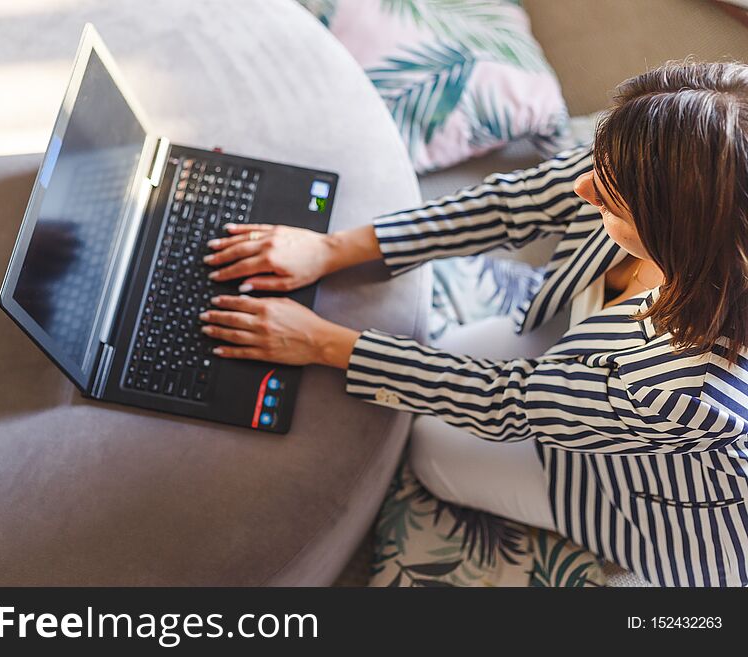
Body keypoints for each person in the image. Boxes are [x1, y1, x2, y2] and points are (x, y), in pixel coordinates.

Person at [198, 61, 748, 587]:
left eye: (611, 201)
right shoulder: (659, 151)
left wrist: (317, 341)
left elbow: (504, 402)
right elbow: (515, 203)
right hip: (587, 353)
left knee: (433, 451)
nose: (582, 188)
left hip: (654, 497)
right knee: (459, 352)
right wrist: (330, 250)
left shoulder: (689, 391)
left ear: (687, 240)